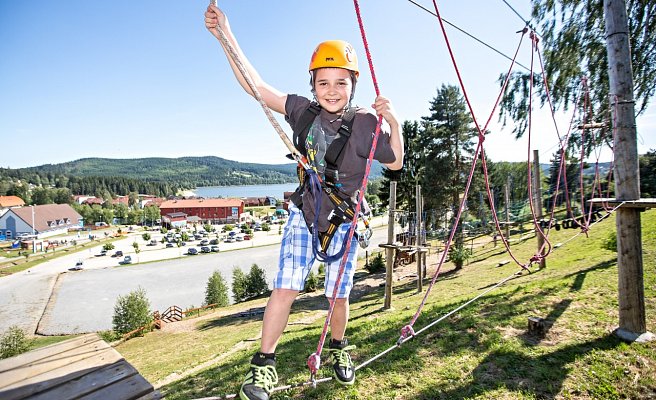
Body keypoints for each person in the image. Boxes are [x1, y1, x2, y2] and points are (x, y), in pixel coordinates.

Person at [205, 4, 404, 400]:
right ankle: (264, 365)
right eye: (324, 82)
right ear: (313, 85)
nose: (332, 90)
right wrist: (224, 37)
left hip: (344, 218)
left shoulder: (366, 122)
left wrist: (394, 121)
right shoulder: (302, 112)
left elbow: (396, 162)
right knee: (286, 287)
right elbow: (255, 87)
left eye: (341, 83)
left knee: (339, 293)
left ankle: (338, 348)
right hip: (307, 212)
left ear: (353, 85)